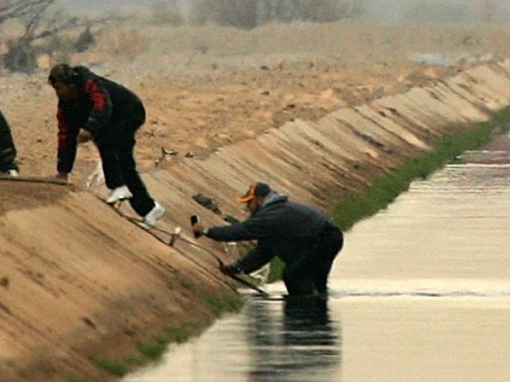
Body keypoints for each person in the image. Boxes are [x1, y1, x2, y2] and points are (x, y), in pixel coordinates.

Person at [195, 182, 345, 302]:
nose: (247, 207)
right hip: (330, 238)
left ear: (259, 200)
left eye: (249, 202)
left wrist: (207, 231)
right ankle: (315, 319)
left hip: (325, 240)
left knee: (294, 275)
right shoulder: (273, 215)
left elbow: (241, 231)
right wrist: (237, 269)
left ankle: (303, 316)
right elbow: (263, 253)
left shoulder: (270, 216)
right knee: (314, 282)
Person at [50, 63, 160, 223]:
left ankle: (118, 186)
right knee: (125, 163)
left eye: (60, 87)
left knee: (106, 140)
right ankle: (149, 209)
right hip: (112, 122)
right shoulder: (65, 107)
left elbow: (103, 105)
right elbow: (65, 137)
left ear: (71, 84)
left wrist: (90, 128)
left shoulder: (89, 83)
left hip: (130, 111)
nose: (58, 93)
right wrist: (63, 171)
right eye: (55, 89)